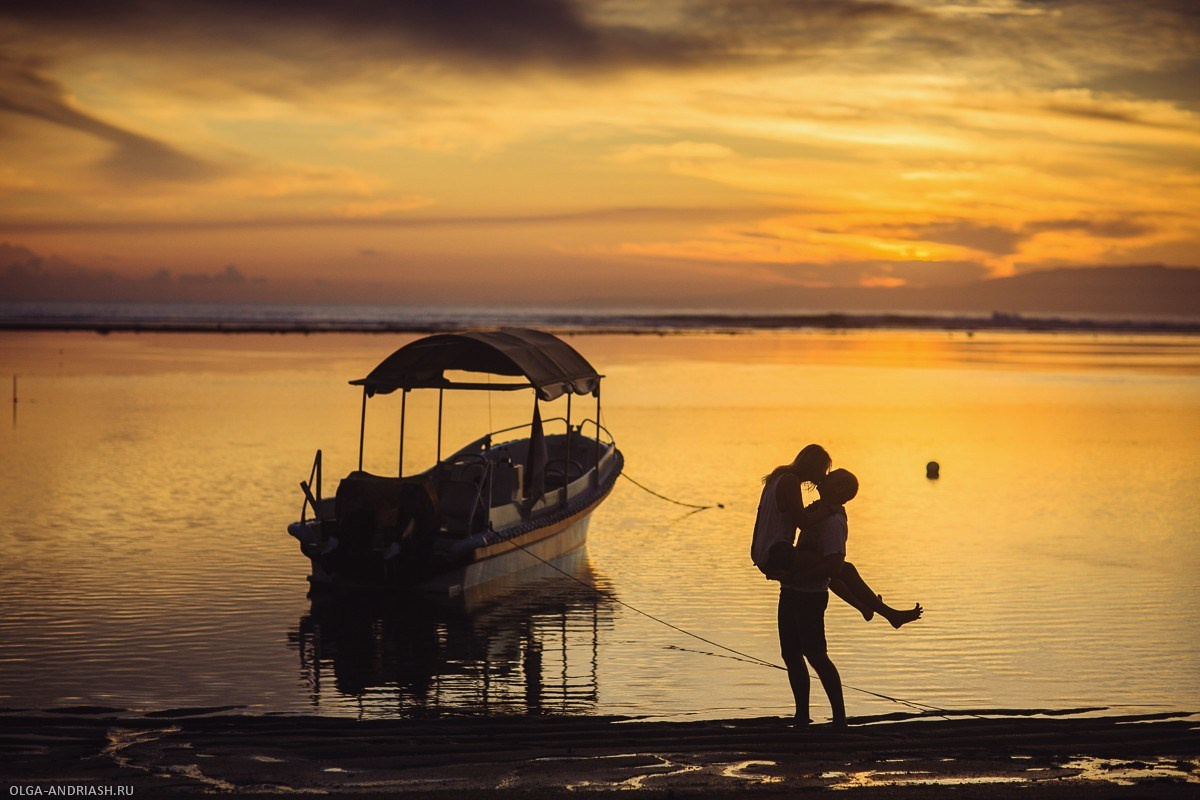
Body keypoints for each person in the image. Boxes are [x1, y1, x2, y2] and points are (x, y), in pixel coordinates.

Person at [752, 445, 922, 629]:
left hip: (764, 553)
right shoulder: (790, 481)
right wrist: (830, 509)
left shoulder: (778, 477)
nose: (824, 476)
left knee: (831, 571)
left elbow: (786, 516)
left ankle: (865, 607)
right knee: (839, 567)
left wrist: (817, 511)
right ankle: (889, 613)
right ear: (814, 466)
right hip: (777, 554)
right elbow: (802, 521)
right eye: (824, 470)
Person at [774, 467, 858, 727]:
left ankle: (839, 718)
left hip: (810, 595)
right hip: (790, 591)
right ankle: (802, 714)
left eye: (832, 477)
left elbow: (834, 564)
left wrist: (798, 577)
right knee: (790, 654)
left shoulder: (833, 522)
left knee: (816, 655)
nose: (825, 477)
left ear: (840, 489)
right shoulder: (816, 513)